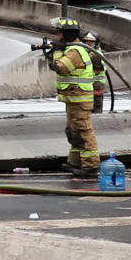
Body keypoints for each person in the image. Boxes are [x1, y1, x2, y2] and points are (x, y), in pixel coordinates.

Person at [45, 16, 100, 177]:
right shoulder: (70, 49)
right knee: (73, 131)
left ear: (66, 34)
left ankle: (90, 166)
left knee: (83, 131)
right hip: (73, 99)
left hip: (80, 99)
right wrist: (52, 52)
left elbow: (61, 67)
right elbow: (53, 65)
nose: (57, 36)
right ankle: (75, 162)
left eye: (59, 33)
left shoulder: (75, 51)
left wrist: (57, 52)